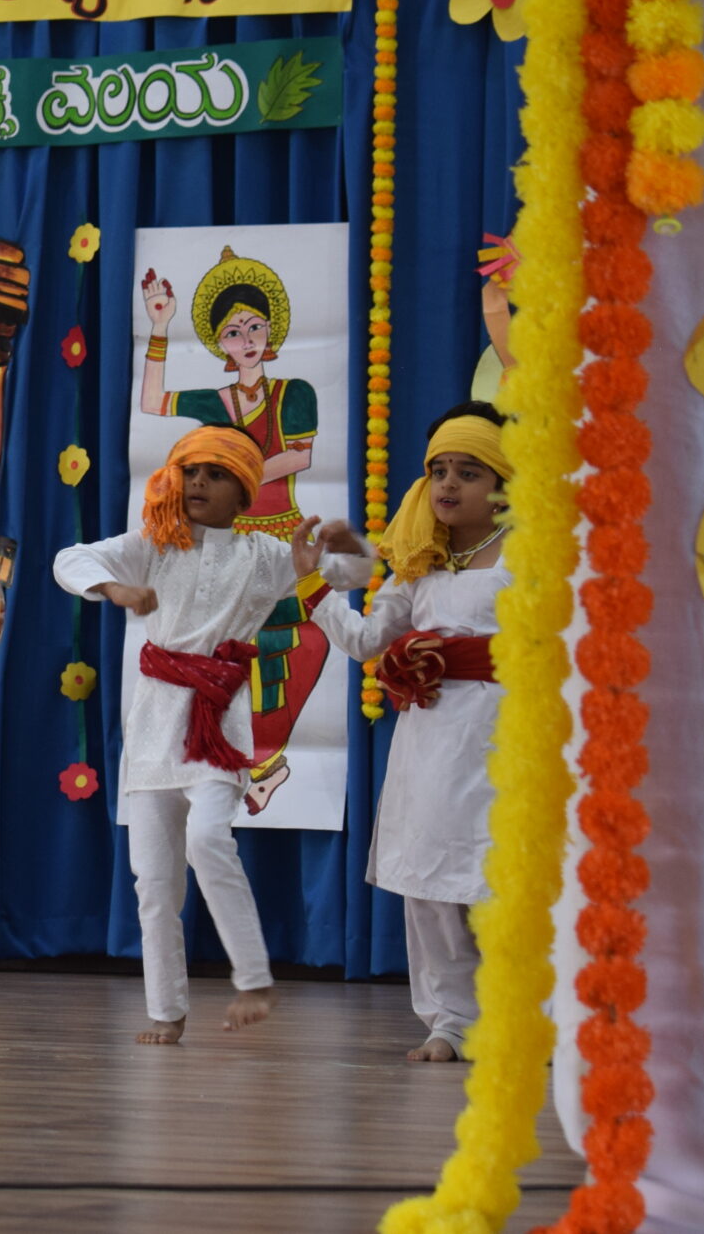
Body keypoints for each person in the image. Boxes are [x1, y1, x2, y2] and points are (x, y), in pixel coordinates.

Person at [53, 424, 372, 1046]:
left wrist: (347, 544)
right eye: (191, 472)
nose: (198, 483)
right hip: (153, 732)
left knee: (207, 840)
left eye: (216, 474)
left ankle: (253, 981)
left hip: (217, 730)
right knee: (154, 884)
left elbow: (350, 573)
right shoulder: (155, 544)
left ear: (245, 493)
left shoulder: (265, 556)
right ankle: (165, 1012)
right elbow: (71, 559)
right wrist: (114, 587)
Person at [310, 403, 511, 1063]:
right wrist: (317, 591)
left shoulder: (534, 552)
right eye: (439, 470)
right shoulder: (419, 561)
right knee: (431, 880)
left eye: (469, 472)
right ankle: (451, 1022)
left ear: (504, 483)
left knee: (506, 874)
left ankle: (524, 1020)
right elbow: (368, 640)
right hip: (430, 741)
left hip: (508, 738)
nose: (449, 484)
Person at [138, 251, 330, 812]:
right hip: (229, 546)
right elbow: (151, 401)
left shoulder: (294, 393)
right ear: (220, 343)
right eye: (232, 331)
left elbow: (300, 456)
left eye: (254, 327)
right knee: (226, 653)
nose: (245, 339)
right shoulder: (215, 402)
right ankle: (239, 764)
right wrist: (159, 327)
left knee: (301, 643)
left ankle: (266, 760)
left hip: (283, 541)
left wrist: (233, 472)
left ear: (270, 332)